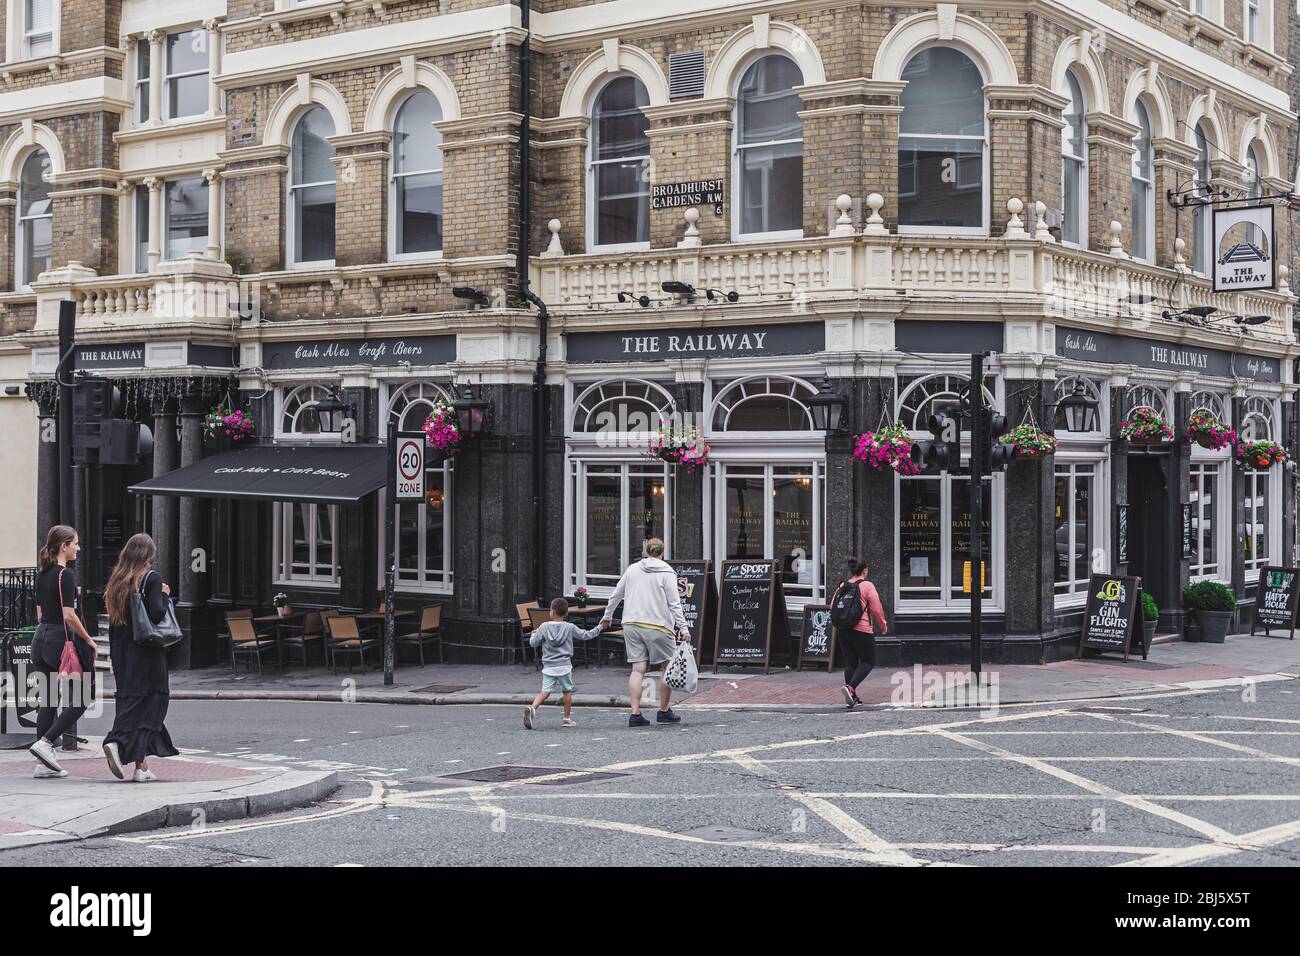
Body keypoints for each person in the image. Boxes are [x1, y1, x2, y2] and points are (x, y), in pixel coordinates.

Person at [100, 533, 178, 782]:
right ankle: (115, 741)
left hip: (122, 650)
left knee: (131, 700)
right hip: (146, 651)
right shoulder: (151, 578)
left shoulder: (118, 580)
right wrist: (165, 595)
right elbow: (155, 614)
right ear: (149, 555)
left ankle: (140, 767)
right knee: (153, 702)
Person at [28, 525, 96, 778]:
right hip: (60, 640)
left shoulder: (42, 573)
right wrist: (88, 640)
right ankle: (46, 743)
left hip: (40, 639)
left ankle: (42, 765)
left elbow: (40, 613)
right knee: (81, 698)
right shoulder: (65, 575)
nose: (78, 548)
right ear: (63, 546)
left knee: (47, 700)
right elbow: (69, 615)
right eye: (75, 543)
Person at [600, 538, 691, 727]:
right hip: (658, 625)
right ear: (662, 553)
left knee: (638, 669)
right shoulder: (668, 572)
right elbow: (674, 604)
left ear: (646, 552)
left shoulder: (632, 569)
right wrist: (683, 628)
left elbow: (616, 594)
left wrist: (607, 616)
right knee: (666, 668)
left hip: (632, 623)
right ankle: (664, 711)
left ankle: (635, 714)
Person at [523, 597, 605, 730]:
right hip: (564, 666)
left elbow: (533, 643)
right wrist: (600, 627)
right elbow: (586, 635)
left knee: (545, 692)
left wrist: (534, 634)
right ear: (566, 613)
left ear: (552, 612)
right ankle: (566, 719)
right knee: (567, 692)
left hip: (549, 666)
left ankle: (532, 708)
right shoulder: (570, 627)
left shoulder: (543, 627)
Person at [835, 557, 888, 708]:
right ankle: (850, 688)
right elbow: (876, 609)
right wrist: (883, 626)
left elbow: (833, 605)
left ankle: (852, 696)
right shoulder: (867, 585)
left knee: (851, 663)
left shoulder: (843, 585)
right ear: (865, 570)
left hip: (843, 629)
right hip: (861, 630)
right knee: (868, 661)